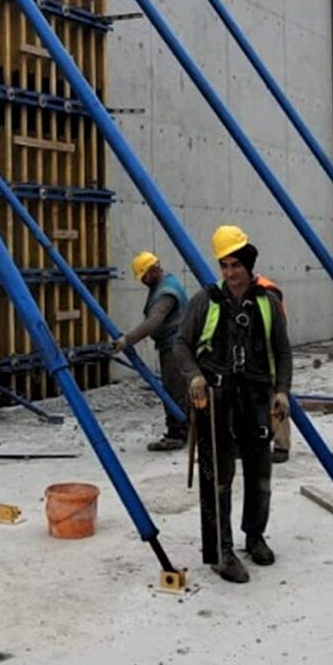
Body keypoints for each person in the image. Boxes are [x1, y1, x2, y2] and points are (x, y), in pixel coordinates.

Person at [182, 224, 291, 582]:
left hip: (257, 399)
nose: (230, 273)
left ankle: (254, 536)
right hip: (217, 400)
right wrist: (195, 376)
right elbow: (181, 344)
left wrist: (281, 391)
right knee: (220, 479)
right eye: (224, 266)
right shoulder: (206, 301)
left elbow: (282, 351)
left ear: (248, 264)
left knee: (260, 475)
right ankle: (220, 551)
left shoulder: (267, 302)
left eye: (235, 265)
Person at [110, 250, 196, 453]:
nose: (143, 281)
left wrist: (127, 340)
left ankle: (177, 433)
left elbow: (153, 322)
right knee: (178, 389)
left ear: (152, 271)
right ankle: (188, 429)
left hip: (175, 346)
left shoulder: (166, 292)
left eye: (144, 277)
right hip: (174, 344)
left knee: (175, 390)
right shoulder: (166, 284)